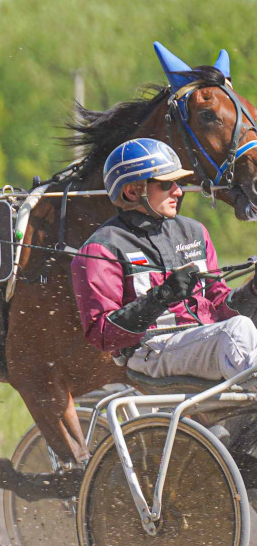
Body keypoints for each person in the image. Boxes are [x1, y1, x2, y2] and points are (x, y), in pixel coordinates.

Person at [71, 137, 257, 381]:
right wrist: (161, 297)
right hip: (150, 352)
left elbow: (219, 306)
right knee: (237, 330)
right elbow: (102, 335)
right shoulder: (101, 249)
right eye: (167, 184)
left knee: (239, 326)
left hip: (206, 340)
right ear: (132, 191)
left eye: (178, 182)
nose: (178, 191)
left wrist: (252, 290)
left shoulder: (195, 232)